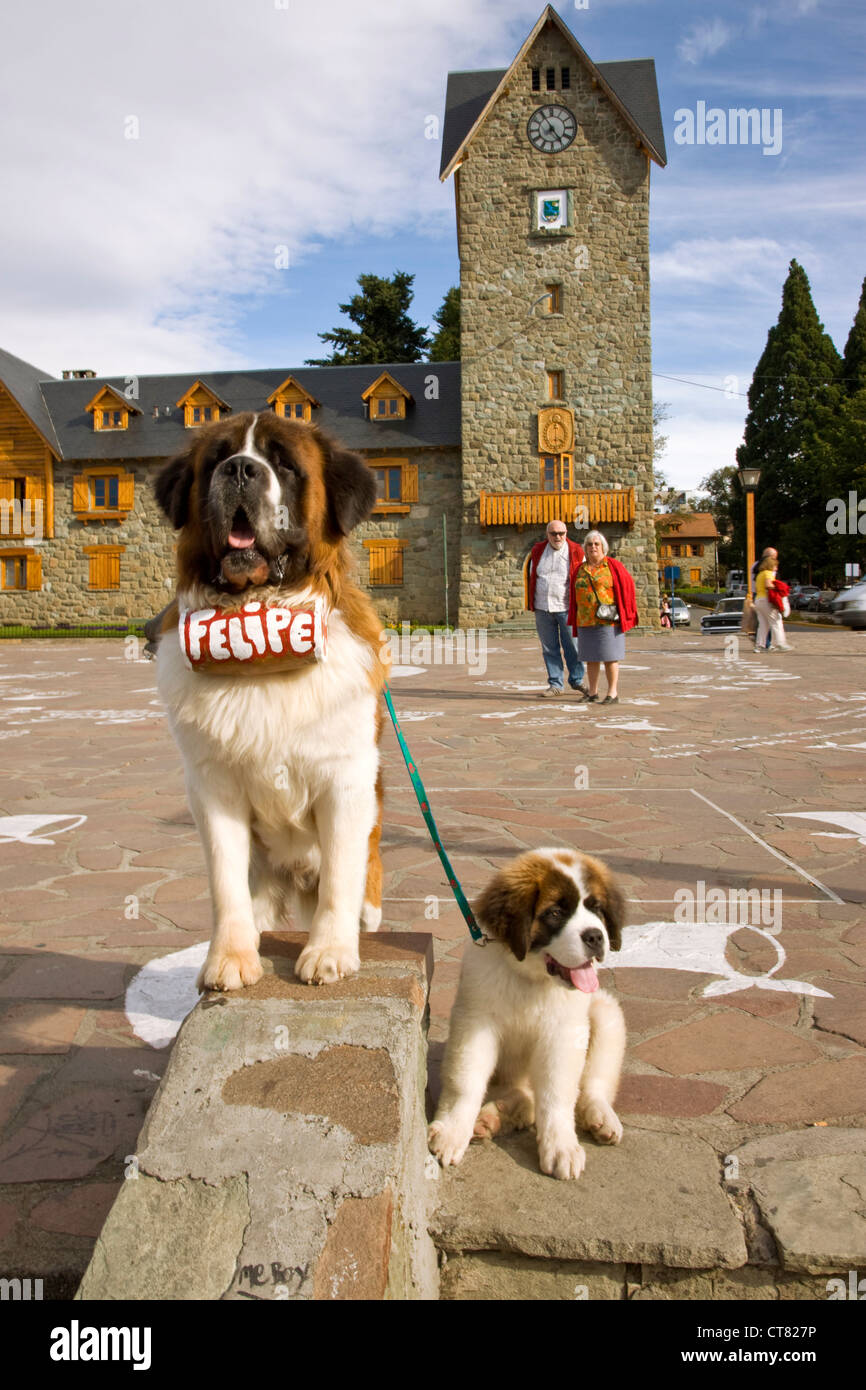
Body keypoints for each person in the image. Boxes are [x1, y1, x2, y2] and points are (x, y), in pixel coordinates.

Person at [573, 531, 638, 703]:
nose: (593, 547)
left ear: (603, 547)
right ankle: (592, 693)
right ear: (585, 548)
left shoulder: (613, 566)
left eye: (596, 544)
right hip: (586, 619)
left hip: (608, 619)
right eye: (589, 544)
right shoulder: (580, 569)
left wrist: (626, 610)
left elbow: (628, 587)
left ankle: (612, 693)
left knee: (610, 657)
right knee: (591, 658)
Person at [526, 521, 587, 697]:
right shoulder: (538, 551)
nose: (557, 537)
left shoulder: (576, 551)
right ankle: (555, 684)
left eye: (561, 533)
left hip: (567, 607)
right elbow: (532, 576)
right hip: (542, 607)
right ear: (547, 534)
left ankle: (577, 680)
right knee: (549, 648)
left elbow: (582, 579)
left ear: (566, 533)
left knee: (573, 647)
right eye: (553, 533)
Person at [753, 554, 792, 652]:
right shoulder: (768, 573)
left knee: (763, 624)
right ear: (770, 565)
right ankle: (781, 643)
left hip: (758, 600)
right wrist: (779, 588)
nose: (776, 568)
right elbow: (768, 585)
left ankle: (759, 645)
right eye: (775, 565)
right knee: (776, 621)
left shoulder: (759, 574)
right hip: (766, 600)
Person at [750, 547, 777, 650]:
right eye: (774, 557)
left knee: (761, 621)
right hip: (766, 596)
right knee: (773, 621)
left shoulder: (755, 566)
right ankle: (771, 643)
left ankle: (761, 643)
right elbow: (769, 584)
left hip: (756, 595)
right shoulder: (768, 569)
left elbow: (753, 583)